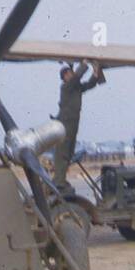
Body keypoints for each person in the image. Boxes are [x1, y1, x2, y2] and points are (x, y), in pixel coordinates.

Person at [52, 60, 106, 191]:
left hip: (73, 122)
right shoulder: (66, 87)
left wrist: (95, 73)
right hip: (65, 122)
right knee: (63, 152)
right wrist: (85, 63)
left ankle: (60, 179)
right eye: (69, 73)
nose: (71, 75)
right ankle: (58, 181)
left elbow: (89, 85)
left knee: (69, 152)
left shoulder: (75, 88)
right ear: (64, 77)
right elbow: (77, 77)